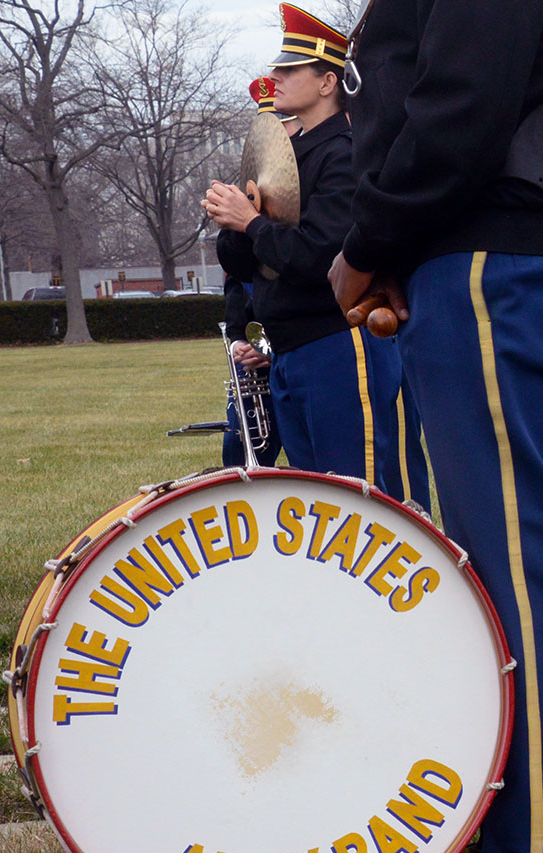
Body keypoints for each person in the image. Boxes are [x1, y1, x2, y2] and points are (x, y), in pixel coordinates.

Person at [327, 0, 543, 853]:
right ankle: (519, 822)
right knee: (505, 556)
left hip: (494, 249)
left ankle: (535, 843)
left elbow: (460, 107)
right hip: (473, 251)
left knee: (514, 558)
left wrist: (366, 246)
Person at [207, 4, 405, 497]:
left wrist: (250, 221)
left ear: (327, 82)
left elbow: (321, 259)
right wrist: (235, 225)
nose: (274, 75)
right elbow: (247, 265)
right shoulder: (290, 152)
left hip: (337, 340)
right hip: (292, 346)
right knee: (317, 497)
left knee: (357, 493)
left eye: (289, 68)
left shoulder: (346, 151)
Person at [220, 77, 285, 470]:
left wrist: (271, 352)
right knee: (239, 455)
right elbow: (237, 287)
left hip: (295, 348)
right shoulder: (250, 188)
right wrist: (240, 344)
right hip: (253, 361)